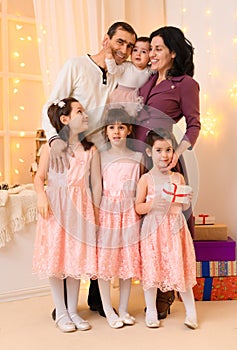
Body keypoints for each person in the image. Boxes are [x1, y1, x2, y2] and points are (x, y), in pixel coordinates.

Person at [41, 21, 137, 317]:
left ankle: (97, 295)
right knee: (68, 228)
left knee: (98, 220)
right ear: (105, 39)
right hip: (69, 152)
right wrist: (55, 139)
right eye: (120, 42)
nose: (124, 50)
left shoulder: (119, 75)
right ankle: (65, 307)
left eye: (130, 46)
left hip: (99, 154)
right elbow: (52, 104)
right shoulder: (76, 66)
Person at [134, 26, 201, 319]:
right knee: (143, 226)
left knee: (170, 228)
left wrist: (178, 153)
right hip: (137, 158)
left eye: (158, 49)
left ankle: (166, 296)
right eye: (151, 49)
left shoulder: (186, 84)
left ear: (173, 52)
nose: (152, 54)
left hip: (163, 159)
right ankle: (146, 287)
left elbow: (194, 124)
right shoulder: (147, 80)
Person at [32, 97, 102, 332]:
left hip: (79, 209)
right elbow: (38, 178)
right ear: (65, 119)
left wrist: (95, 214)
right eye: (79, 111)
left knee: (75, 259)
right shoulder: (50, 147)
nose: (85, 115)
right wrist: (41, 196)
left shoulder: (90, 150)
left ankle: (73, 309)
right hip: (55, 208)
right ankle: (61, 312)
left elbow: (94, 186)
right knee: (56, 259)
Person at [135, 129, 198, 329]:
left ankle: (191, 312)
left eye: (168, 150)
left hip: (175, 228)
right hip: (153, 230)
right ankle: (151, 311)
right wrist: (152, 204)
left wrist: (186, 200)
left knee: (180, 268)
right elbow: (138, 207)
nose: (164, 155)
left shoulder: (178, 178)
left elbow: (184, 207)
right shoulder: (145, 179)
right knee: (153, 270)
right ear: (149, 152)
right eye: (159, 150)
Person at [97, 108, 144, 328]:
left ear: (129, 130)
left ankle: (123, 309)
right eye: (112, 127)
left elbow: (140, 188)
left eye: (121, 127)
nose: (116, 132)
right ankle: (108, 309)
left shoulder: (137, 156)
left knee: (128, 261)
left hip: (130, 212)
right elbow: (97, 188)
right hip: (108, 212)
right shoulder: (100, 155)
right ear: (106, 131)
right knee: (106, 263)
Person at [105, 36, 152, 116]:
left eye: (143, 52)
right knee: (116, 117)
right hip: (120, 96)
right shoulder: (126, 66)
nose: (138, 54)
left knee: (131, 120)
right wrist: (109, 57)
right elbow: (113, 70)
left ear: (150, 56)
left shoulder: (150, 70)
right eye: (135, 50)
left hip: (135, 97)